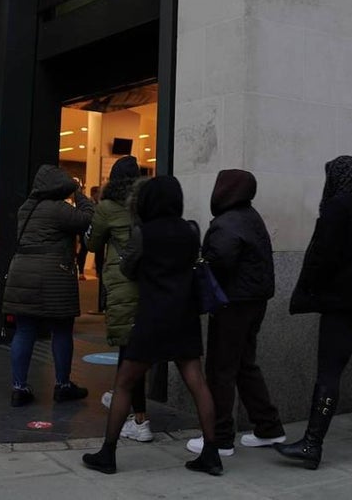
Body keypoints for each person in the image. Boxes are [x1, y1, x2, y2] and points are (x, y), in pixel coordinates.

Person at [82, 176, 223, 476]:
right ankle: (212, 451)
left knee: (124, 383)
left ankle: (108, 453)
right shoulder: (190, 230)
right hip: (184, 316)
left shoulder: (142, 233)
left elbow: (127, 267)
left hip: (152, 316)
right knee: (197, 382)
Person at [277, 156, 352, 469]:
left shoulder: (339, 207)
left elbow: (322, 256)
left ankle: (312, 443)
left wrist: (311, 292)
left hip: (345, 304)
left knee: (330, 372)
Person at [187, 169, 286, 457]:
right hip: (254, 301)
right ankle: (269, 427)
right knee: (245, 365)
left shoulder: (227, 223)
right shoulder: (251, 218)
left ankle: (220, 437)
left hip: (234, 303)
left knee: (221, 368)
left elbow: (219, 261)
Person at [2, 164, 95, 406]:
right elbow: (88, 217)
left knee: (24, 331)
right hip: (53, 276)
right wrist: (78, 192)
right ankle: (63, 385)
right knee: (62, 329)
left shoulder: (26, 208)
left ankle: (19, 387)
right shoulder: (59, 209)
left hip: (22, 273)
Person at [87, 157, 152, 442]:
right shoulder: (146, 206)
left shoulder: (106, 207)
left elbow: (92, 243)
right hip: (149, 282)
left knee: (129, 348)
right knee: (136, 345)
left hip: (122, 281)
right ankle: (125, 400)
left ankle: (138, 418)